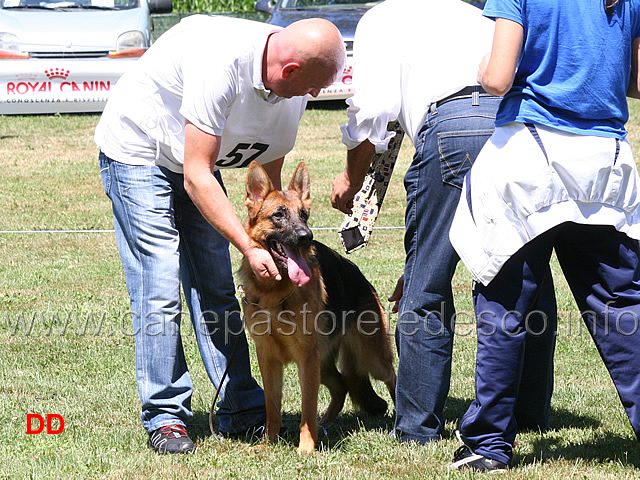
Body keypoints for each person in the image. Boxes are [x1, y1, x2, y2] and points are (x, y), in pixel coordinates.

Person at [95, 14, 346, 454]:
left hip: (199, 164)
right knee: (159, 285)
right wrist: (249, 245)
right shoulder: (222, 61)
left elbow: (270, 181)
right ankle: (166, 416)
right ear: (289, 70)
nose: (314, 96)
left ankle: (242, 407)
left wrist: (277, 245)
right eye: (311, 85)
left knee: (215, 282)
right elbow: (195, 174)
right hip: (140, 150)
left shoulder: (291, 93)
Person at [330, 0, 557, 445]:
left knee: (427, 285)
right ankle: (529, 414)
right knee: (526, 278)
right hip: (519, 125)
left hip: (454, 123)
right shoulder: (476, 14)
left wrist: (349, 180)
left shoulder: (382, 18)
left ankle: (418, 427)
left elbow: (373, 112)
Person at [449, 0, 640, 472]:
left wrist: (481, 67)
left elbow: (496, 77)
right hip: (606, 160)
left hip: (530, 154)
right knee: (622, 309)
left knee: (505, 306)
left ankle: (488, 444)